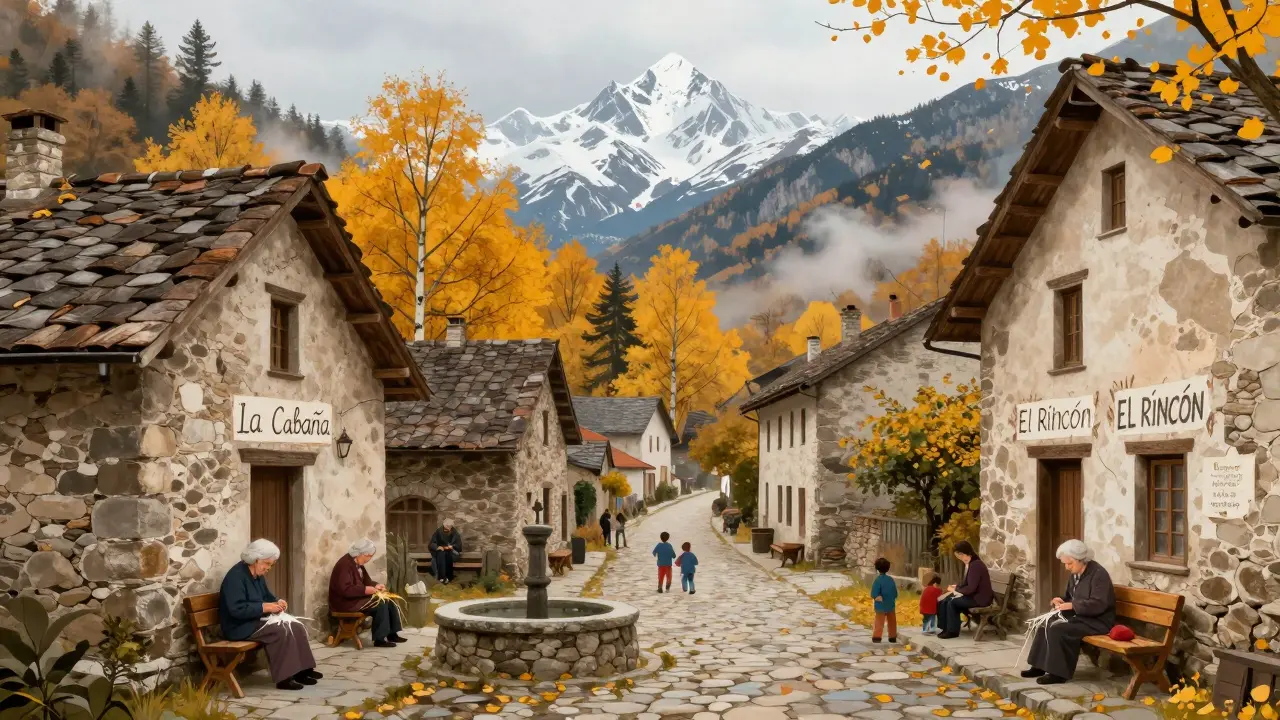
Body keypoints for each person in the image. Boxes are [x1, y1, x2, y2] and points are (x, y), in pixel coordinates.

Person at [219, 539, 321, 691]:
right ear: (256, 559)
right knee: (281, 631)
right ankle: (284, 678)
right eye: (267, 564)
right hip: (238, 626)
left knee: (296, 626)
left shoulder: (257, 575)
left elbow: (267, 596)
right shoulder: (235, 577)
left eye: (271, 564)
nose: (269, 568)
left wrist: (277, 602)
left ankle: (303, 671)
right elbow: (236, 609)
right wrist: (265, 607)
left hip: (255, 621)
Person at [1021, 539, 1117, 685]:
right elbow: (1070, 597)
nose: (1067, 567)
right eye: (1065, 563)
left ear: (1081, 560)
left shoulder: (1099, 575)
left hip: (1098, 621)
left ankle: (1058, 673)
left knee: (1059, 629)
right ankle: (1039, 666)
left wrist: (1072, 606)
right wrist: (1060, 601)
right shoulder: (1076, 573)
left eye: (1069, 563)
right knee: (1044, 622)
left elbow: (1099, 604)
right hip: (1080, 616)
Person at [328, 538, 407, 648]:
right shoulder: (344, 565)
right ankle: (379, 639)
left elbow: (366, 582)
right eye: (368, 556)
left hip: (354, 599)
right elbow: (345, 590)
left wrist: (375, 586)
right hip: (344, 603)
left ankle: (392, 634)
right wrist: (365, 590)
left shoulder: (357, 563)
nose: (369, 559)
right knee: (380, 604)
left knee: (389, 599)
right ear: (360, 553)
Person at [936, 540, 994, 639]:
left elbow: (971, 588)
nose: (960, 559)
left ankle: (952, 631)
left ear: (964, 553)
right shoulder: (972, 564)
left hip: (980, 599)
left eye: (960, 556)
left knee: (952, 602)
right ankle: (945, 628)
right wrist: (957, 587)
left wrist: (957, 590)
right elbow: (967, 583)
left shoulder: (976, 565)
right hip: (975, 596)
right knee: (946, 600)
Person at [870, 557, 899, 643]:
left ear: (877, 568)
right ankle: (892, 636)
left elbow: (874, 592)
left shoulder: (878, 580)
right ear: (888, 568)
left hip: (880, 605)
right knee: (892, 621)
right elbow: (895, 592)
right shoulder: (891, 580)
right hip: (890, 604)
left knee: (879, 622)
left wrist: (876, 596)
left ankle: (877, 637)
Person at [429, 520, 462, 585]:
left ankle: (448, 577)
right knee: (441, 553)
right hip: (440, 553)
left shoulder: (455, 533)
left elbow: (459, 546)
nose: (447, 529)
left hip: (452, 553)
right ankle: (442, 577)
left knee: (447, 555)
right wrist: (437, 547)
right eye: (445, 528)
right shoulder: (438, 532)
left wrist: (452, 547)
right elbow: (432, 543)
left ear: (451, 527)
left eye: (448, 528)